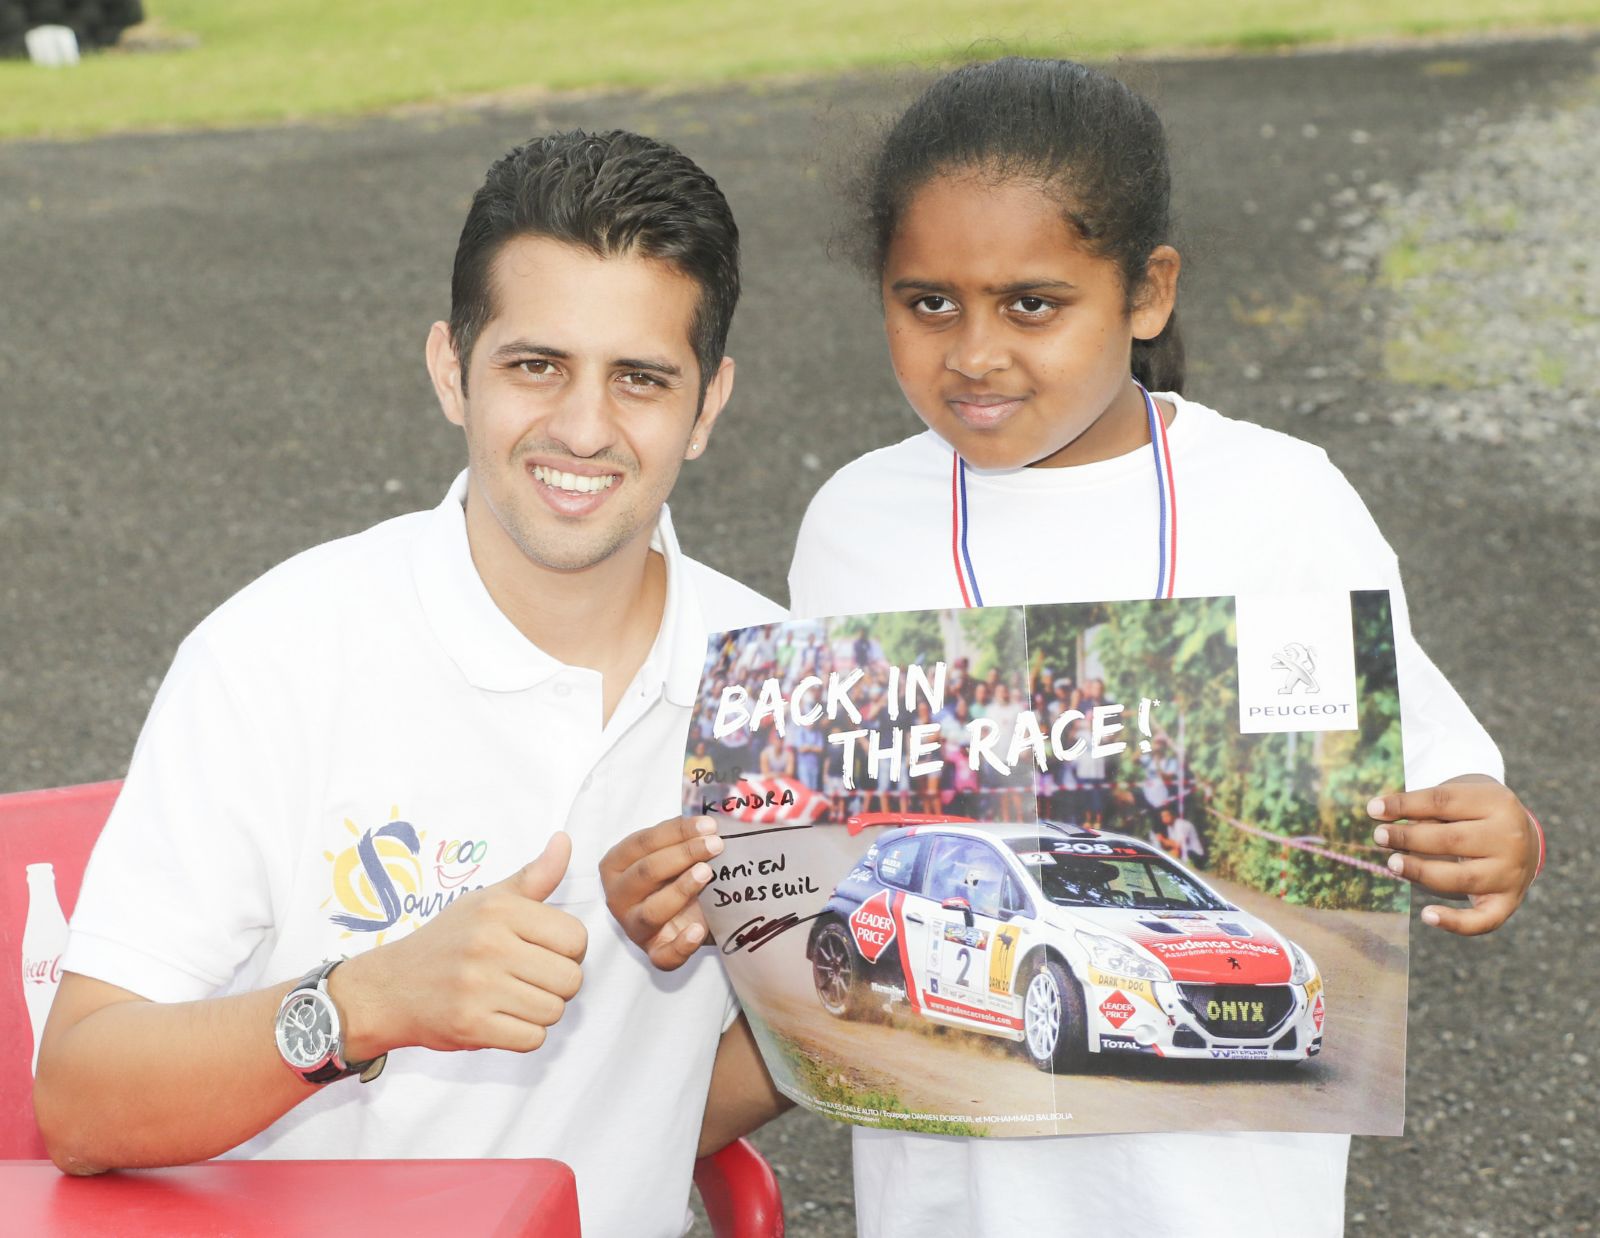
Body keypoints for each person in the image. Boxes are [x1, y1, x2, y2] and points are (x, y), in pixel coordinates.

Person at [603, 57, 1544, 1238]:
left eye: (1032, 303)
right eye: (926, 300)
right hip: (948, 1199)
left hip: (1223, 1205)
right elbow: (803, 837)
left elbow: (1440, 778)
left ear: (1146, 292)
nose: (974, 351)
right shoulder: (855, 522)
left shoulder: (1278, 502)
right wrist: (700, 885)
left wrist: (1492, 835)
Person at [33, 129, 786, 1236]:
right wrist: (366, 1001)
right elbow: (80, 1095)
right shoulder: (278, 652)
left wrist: (803, 972)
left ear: (708, 403)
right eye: (535, 364)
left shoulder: (775, 680)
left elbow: (708, 1088)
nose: (583, 426)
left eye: (639, 378)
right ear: (450, 369)